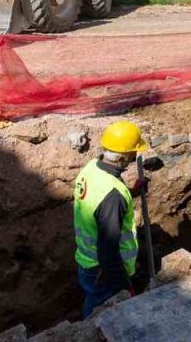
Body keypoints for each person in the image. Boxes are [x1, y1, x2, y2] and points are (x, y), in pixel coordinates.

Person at [73, 120, 148, 318]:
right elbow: (108, 252)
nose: (134, 158)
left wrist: (132, 192)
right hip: (103, 271)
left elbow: (100, 204)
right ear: (123, 157)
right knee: (102, 314)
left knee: (93, 299)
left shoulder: (92, 169)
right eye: (133, 154)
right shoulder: (113, 197)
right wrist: (125, 286)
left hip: (86, 262)